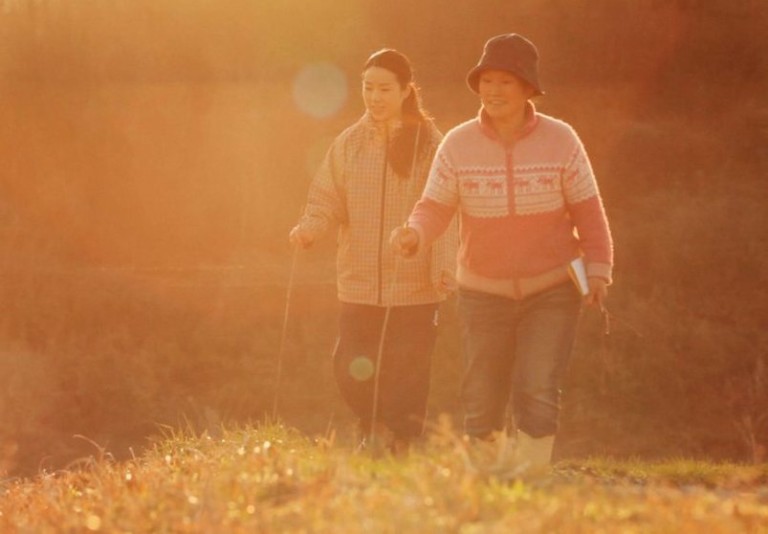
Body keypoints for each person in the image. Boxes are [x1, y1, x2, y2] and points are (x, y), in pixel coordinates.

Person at [391, 33, 613, 473]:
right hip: (482, 293)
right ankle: (489, 478)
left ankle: (530, 476)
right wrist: (414, 234)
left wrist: (599, 270)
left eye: (505, 82)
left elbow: (589, 211)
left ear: (528, 88)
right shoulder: (458, 144)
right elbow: (434, 206)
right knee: (482, 394)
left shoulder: (561, 140)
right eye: (486, 81)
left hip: (552, 289)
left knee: (537, 386)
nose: (493, 90)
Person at [289, 49, 455, 455]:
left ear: (406, 90)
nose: (375, 97)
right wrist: (310, 229)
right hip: (359, 280)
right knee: (349, 365)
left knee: (408, 370)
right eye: (368, 88)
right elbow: (326, 199)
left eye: (384, 89)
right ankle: (373, 426)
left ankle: (400, 441)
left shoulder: (430, 144)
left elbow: (446, 207)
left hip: (414, 284)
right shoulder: (348, 143)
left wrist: (443, 266)